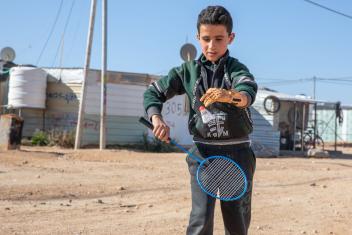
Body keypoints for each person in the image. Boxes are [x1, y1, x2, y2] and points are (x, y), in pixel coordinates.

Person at [143, 5, 257, 235]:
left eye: (218, 39)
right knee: (199, 221)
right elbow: (153, 92)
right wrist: (156, 119)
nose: (211, 46)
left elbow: (247, 91)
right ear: (198, 37)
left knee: (237, 224)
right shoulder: (187, 71)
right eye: (206, 39)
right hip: (202, 155)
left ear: (230, 38)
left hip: (238, 155)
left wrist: (230, 95)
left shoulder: (236, 69)